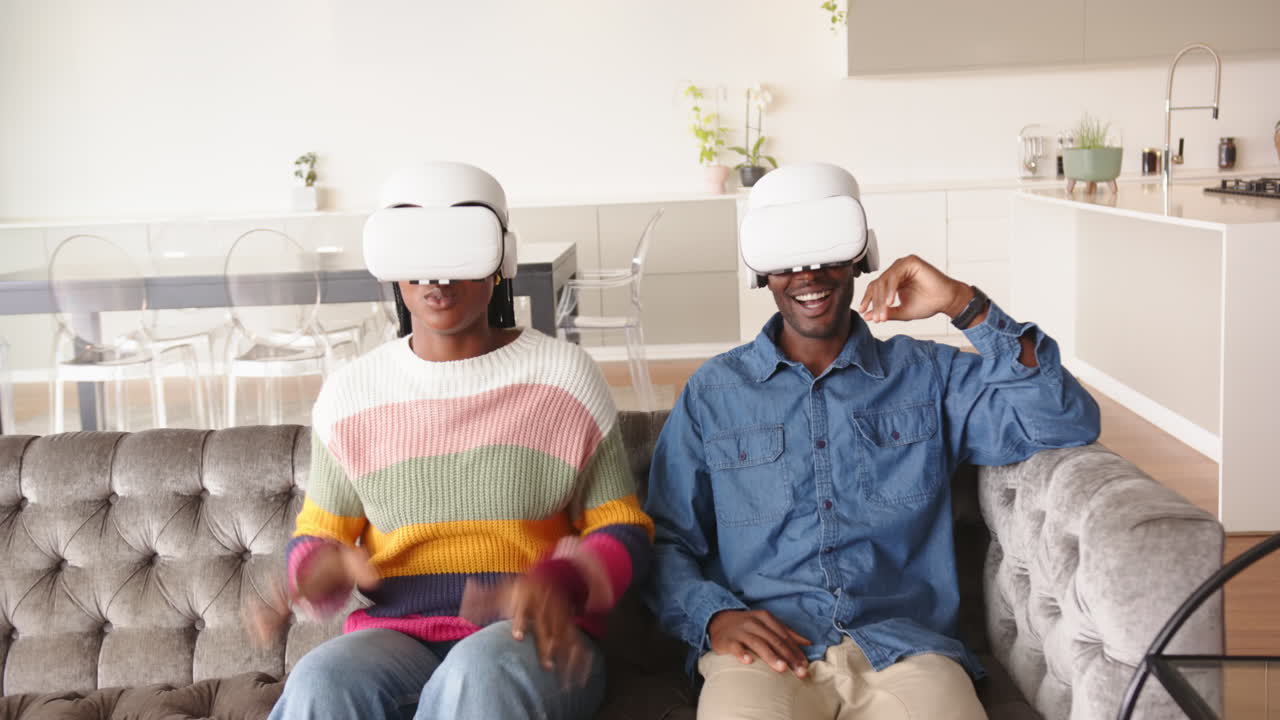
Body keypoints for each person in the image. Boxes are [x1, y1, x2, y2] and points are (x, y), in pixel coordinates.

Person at [642, 163, 1100, 720]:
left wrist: (964, 304)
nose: (808, 274)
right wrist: (713, 617)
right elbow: (666, 540)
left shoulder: (927, 375)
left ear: (862, 254)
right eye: (787, 259)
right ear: (760, 271)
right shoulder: (714, 393)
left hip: (908, 650)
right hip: (762, 655)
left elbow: (1064, 418)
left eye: (827, 252)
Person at [263, 162, 654, 720]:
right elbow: (317, 535)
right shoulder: (351, 394)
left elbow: (624, 529)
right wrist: (317, 568)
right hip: (397, 635)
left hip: (526, 637)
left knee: (477, 675)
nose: (435, 275)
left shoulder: (564, 379)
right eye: (416, 253)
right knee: (320, 682)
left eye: (457, 250)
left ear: (501, 261)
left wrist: (562, 581)